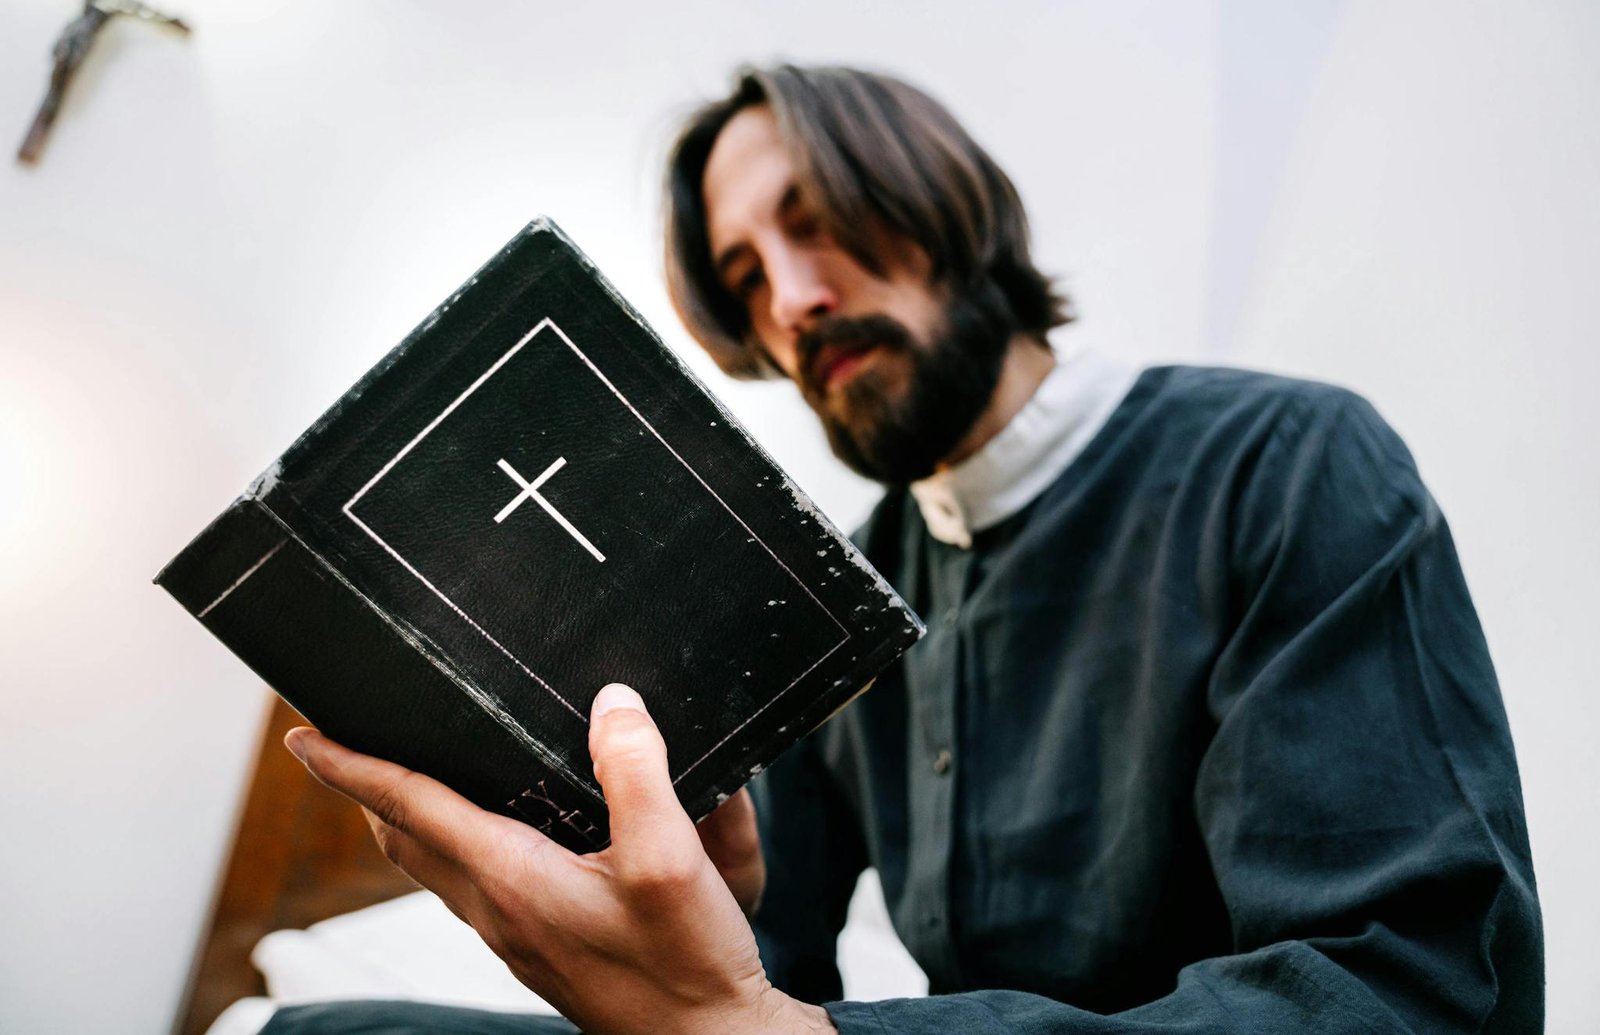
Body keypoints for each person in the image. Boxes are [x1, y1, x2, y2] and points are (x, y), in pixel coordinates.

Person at [268, 64, 1542, 1033]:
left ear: (937, 197)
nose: (793, 300)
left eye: (812, 221)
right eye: (746, 276)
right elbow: (767, 975)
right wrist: (659, 899)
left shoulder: (1285, 462)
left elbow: (1416, 991)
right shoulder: (834, 586)